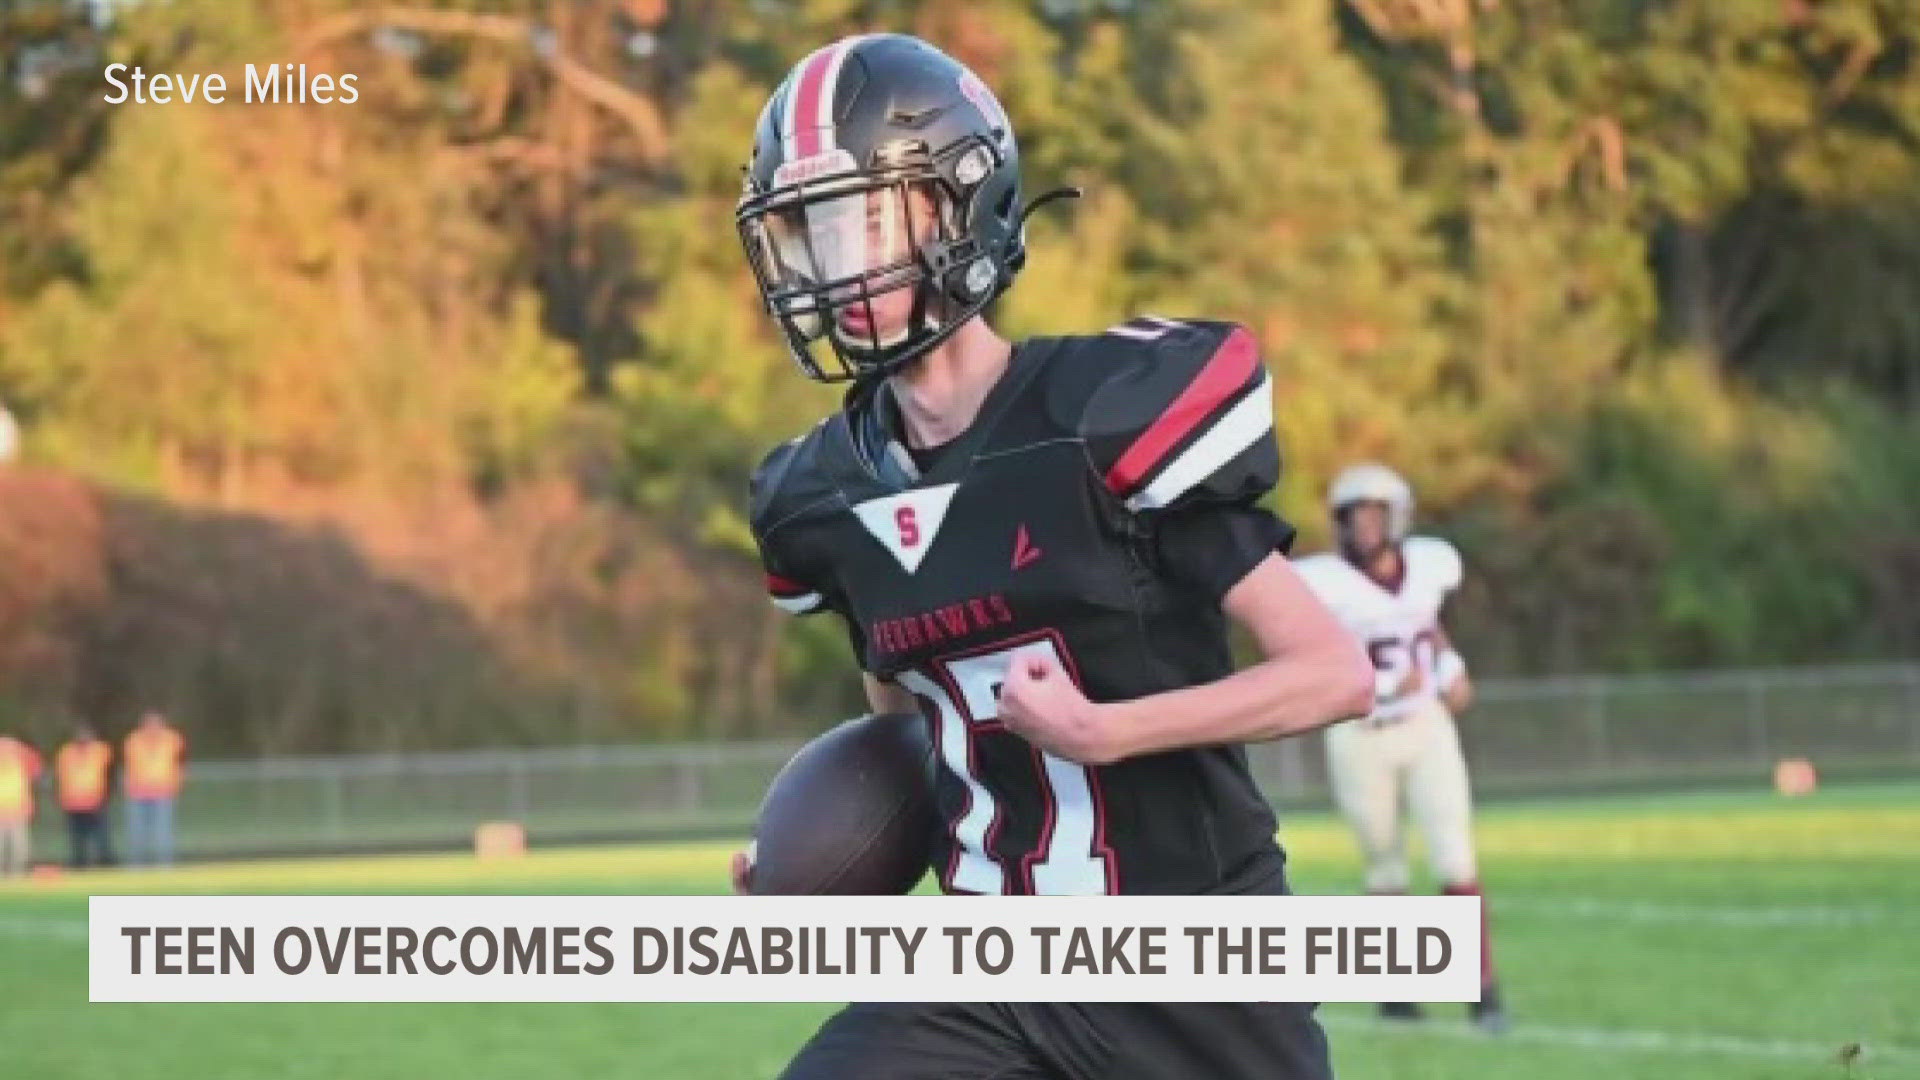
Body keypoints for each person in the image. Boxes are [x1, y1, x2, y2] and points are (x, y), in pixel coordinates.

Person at [729, 34, 1374, 1080]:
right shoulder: (820, 495)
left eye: (856, 217)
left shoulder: (1107, 419)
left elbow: (1334, 673)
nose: (829, 264)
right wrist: (814, 861)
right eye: (805, 230)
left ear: (959, 202)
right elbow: (910, 739)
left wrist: (1105, 732)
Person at [1292, 463, 1506, 1031]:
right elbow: (1306, 657)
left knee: (1455, 856)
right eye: (1353, 517)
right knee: (1384, 866)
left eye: (1373, 515)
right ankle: (1397, 994)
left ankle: (1482, 993)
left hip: (1425, 726)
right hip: (1360, 735)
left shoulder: (1430, 566)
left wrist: (1452, 665)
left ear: (1396, 517)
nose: (1364, 528)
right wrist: (1383, 685)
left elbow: (1426, 625)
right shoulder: (1322, 581)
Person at [123, 711, 185, 867]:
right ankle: (136, 866)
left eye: (156, 724)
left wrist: (176, 784)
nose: (152, 728)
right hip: (138, 792)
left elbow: (180, 763)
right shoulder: (133, 740)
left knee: (163, 833)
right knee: (137, 833)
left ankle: (165, 866)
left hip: (163, 791)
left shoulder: (173, 740)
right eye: (149, 724)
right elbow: (129, 766)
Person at [56, 722, 115, 869]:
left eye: (86, 735)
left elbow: (109, 772)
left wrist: (105, 794)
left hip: (95, 801)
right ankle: (79, 864)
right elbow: (61, 776)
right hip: (73, 802)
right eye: (80, 735)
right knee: (77, 838)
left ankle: (104, 863)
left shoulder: (101, 750)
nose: (83, 738)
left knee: (101, 837)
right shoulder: (66, 753)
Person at [0, 734, 43, 876]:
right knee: (17, 843)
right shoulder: (22, 753)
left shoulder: (22, 754)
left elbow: (36, 772)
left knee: (18, 843)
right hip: (16, 806)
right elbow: (37, 772)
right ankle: (16, 872)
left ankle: (17, 871)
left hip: (17, 807)